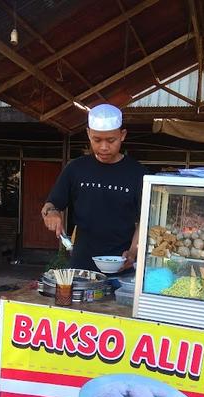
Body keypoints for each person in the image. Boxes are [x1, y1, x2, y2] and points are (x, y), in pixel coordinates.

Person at [41, 104, 146, 272]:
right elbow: (50, 205)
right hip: (81, 265)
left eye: (111, 140)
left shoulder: (138, 173)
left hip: (121, 264)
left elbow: (144, 220)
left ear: (123, 135)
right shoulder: (75, 168)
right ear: (89, 134)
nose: (103, 147)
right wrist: (52, 213)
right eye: (97, 140)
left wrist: (133, 252)